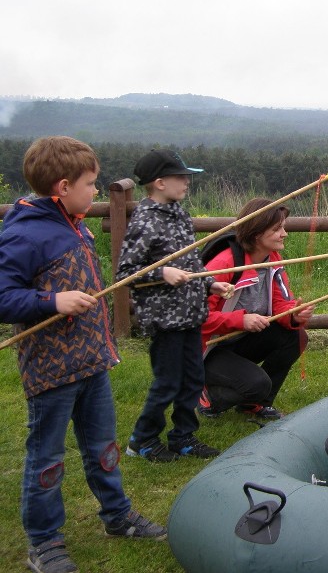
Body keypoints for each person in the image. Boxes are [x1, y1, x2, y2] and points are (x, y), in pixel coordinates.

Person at [0, 137, 167, 573]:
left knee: (103, 447)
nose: (95, 191)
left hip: (92, 361)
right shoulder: (26, 232)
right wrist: (52, 302)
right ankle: (44, 541)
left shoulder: (73, 222)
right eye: (90, 184)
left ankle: (116, 515)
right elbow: (3, 296)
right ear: (62, 186)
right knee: (47, 457)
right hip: (51, 372)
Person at [116, 149, 231, 462]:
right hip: (165, 318)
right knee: (167, 381)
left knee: (194, 378)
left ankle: (183, 436)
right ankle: (142, 440)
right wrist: (161, 272)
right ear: (159, 183)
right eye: (181, 177)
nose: (187, 182)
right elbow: (126, 273)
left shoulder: (178, 213)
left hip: (191, 312)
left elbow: (191, 261)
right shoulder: (144, 221)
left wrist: (209, 282)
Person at [199, 198, 314, 419]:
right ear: (256, 234)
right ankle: (208, 395)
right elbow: (197, 319)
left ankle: (254, 404)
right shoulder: (224, 264)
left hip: (239, 340)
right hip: (207, 349)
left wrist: (294, 315)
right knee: (258, 384)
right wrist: (241, 320)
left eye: (283, 227)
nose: (284, 234)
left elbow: (281, 303)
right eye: (277, 229)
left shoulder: (272, 259)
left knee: (296, 336)